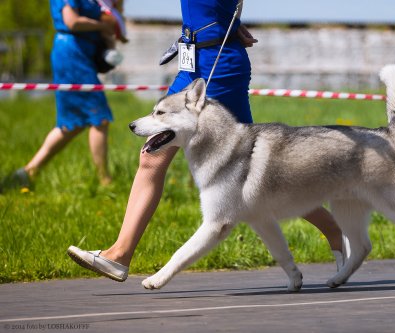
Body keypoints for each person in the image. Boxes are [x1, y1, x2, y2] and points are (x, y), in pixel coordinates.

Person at [67, 0, 348, 283]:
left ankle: (335, 230)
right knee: (248, 171)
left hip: (217, 65)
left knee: (254, 169)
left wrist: (228, 24)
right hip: (194, 61)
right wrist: (231, 23)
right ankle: (119, 255)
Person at [12, 0, 125, 187]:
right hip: (72, 55)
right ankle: (104, 180)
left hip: (82, 55)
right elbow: (72, 21)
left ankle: (28, 171)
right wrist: (102, 26)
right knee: (100, 118)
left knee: (71, 124)